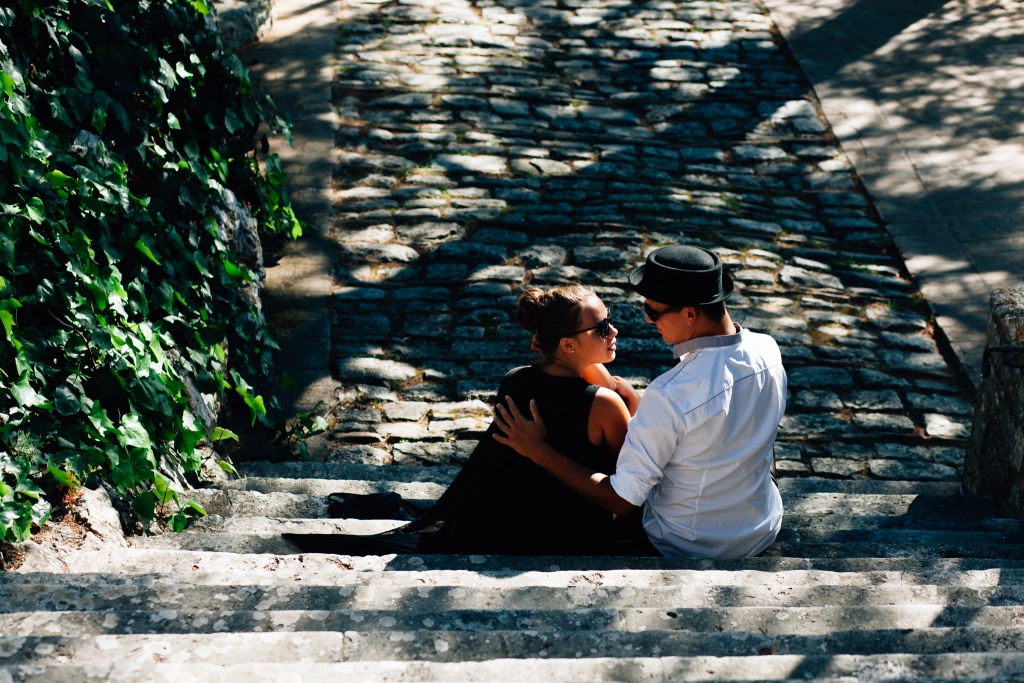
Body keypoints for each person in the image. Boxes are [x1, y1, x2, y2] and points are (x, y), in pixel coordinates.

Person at [283, 283, 645, 556]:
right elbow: (631, 492)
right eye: (602, 327)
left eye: (609, 321)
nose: (613, 331)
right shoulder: (604, 406)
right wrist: (625, 396)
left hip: (516, 521)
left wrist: (612, 383)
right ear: (567, 344)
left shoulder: (515, 380)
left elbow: (588, 379)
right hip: (569, 535)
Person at [493, 245, 788, 559]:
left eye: (654, 311)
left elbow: (621, 500)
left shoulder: (670, 393)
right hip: (761, 526)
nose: (648, 319)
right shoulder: (767, 349)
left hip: (687, 542)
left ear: (690, 314)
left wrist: (539, 452)